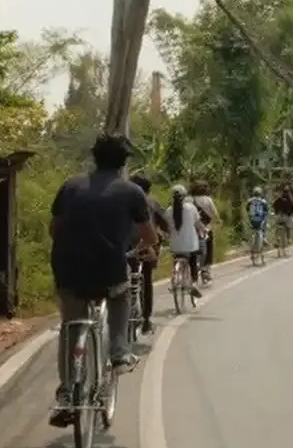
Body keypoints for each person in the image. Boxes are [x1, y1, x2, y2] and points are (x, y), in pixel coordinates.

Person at [49, 134, 157, 428]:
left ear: (93, 158)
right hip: (110, 271)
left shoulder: (70, 187)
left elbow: (54, 229)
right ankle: (120, 351)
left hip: (68, 271)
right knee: (121, 298)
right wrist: (139, 250)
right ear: (124, 163)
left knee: (70, 327)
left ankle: (67, 390)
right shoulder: (132, 192)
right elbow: (150, 237)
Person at [128, 173, 168, 334]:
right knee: (146, 280)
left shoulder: (121, 200)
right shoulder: (152, 202)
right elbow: (165, 224)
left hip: (125, 246)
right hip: (146, 246)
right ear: (148, 189)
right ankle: (146, 319)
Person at [165, 184, 205, 298]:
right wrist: (204, 231)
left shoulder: (168, 211)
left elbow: (167, 228)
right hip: (190, 245)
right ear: (184, 196)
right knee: (193, 261)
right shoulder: (191, 208)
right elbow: (198, 224)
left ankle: (175, 278)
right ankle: (193, 283)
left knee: (176, 258)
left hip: (175, 246)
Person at [190, 180, 219, 283]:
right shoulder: (208, 200)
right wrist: (213, 224)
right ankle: (206, 270)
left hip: (194, 229)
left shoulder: (190, 200)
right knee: (209, 248)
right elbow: (215, 215)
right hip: (207, 229)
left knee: (193, 250)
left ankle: (193, 270)